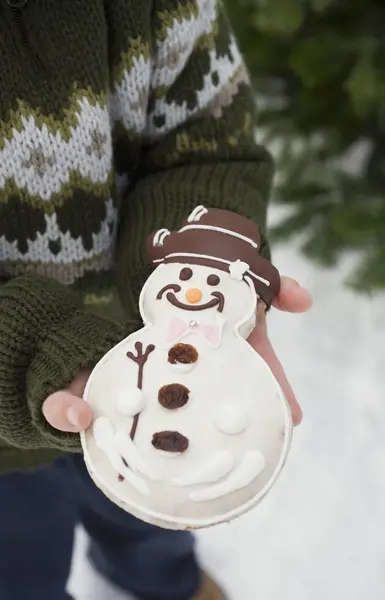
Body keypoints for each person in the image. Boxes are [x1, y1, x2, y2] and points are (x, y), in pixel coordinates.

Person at [0, 1, 312, 599]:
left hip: (149, 376)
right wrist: (30, 353)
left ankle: (162, 582)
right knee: (20, 568)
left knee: (156, 514)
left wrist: (200, 265)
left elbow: (204, 150)